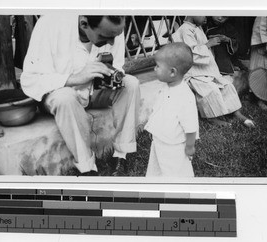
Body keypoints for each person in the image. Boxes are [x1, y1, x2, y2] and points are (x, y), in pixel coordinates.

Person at [20, 14, 141, 176]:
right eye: (105, 37)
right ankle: (87, 167)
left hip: (95, 91)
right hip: (60, 95)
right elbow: (30, 79)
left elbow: (117, 65)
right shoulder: (49, 24)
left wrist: (109, 79)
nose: (112, 42)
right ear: (84, 24)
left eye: (116, 36)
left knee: (131, 84)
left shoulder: (111, 29)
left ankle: (122, 155)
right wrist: (74, 78)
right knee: (65, 97)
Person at [172, 16, 255, 128]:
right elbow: (189, 53)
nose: (206, 18)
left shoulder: (197, 27)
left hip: (205, 71)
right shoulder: (185, 30)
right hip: (194, 74)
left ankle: (235, 113)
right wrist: (208, 44)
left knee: (226, 85)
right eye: (203, 15)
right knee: (210, 90)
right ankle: (211, 118)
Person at [145, 42, 198, 177]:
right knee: (157, 169)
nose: (154, 69)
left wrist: (190, 146)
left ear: (172, 72)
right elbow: (159, 111)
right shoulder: (166, 88)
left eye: (158, 66)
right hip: (160, 141)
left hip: (174, 146)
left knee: (176, 172)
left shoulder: (185, 96)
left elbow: (191, 126)